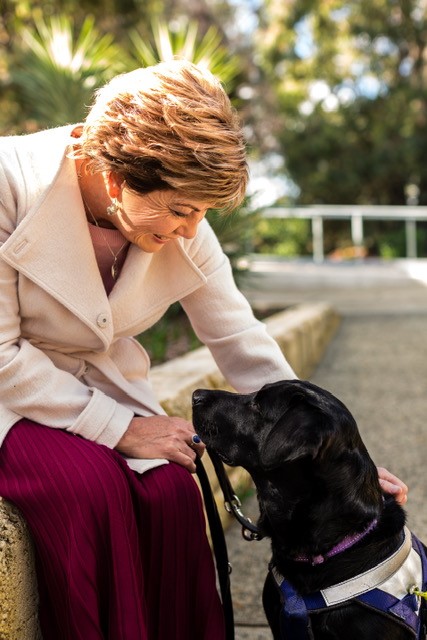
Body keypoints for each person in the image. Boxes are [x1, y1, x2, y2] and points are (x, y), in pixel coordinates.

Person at [0, 59, 407, 640]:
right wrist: (121, 428)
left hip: (92, 391)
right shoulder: (8, 182)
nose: (191, 231)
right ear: (116, 178)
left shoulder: (181, 219)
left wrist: (340, 462)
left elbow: (240, 340)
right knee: (88, 488)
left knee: (170, 489)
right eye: (181, 211)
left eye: (201, 213)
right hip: (9, 398)